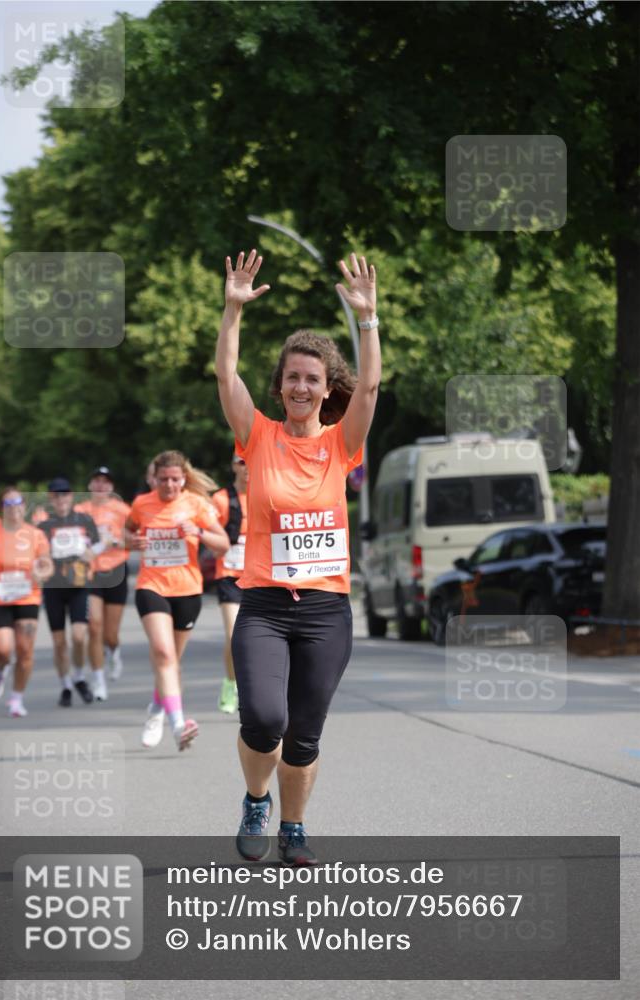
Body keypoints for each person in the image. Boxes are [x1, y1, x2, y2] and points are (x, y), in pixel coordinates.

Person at [215, 249, 380, 866]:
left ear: (324, 387)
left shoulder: (343, 445)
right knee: (263, 718)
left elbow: (370, 384)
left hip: (325, 609)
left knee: (305, 734)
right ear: (280, 386)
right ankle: (256, 798)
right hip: (262, 604)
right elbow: (225, 376)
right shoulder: (257, 435)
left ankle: (294, 828)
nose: (301, 386)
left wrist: (368, 320)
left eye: (312, 378)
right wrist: (232, 310)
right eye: (292, 377)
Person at [125, 450, 230, 751]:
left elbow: (222, 544)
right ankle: (178, 725)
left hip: (187, 590)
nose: (169, 486)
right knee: (163, 653)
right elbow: (126, 532)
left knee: (171, 662)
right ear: (153, 479)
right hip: (152, 586)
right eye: (163, 480)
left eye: (174, 480)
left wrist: (198, 532)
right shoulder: (142, 504)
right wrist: (131, 542)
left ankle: (156, 710)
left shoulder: (196, 504)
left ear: (184, 479)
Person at [0, 488, 53, 716]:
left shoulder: (35, 534)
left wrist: (43, 573)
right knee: (2, 649)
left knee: (25, 650)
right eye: (8, 504)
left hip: (27, 595)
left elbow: (47, 563)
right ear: (2, 508)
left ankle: (16, 699)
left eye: (17, 502)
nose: (13, 507)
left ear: (24, 506)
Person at [39, 477, 103, 705]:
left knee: (78, 637)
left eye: (65, 494)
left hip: (78, 585)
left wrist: (91, 553)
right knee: (58, 642)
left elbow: (98, 542)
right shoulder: (44, 526)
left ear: (70, 496)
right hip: (54, 587)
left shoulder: (84, 520)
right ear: (51, 499)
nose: (61, 499)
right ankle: (65, 685)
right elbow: (38, 554)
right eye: (56, 495)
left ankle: (78, 676)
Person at [75, 467, 130, 683]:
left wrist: (115, 542)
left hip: (116, 570)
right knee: (94, 625)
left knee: (110, 634)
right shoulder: (80, 510)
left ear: (111, 487)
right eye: (96, 481)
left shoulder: (123, 509)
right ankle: (98, 675)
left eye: (105, 482)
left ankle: (113, 652)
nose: (100, 486)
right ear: (90, 485)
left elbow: (136, 538)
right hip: (91, 573)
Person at [211, 454, 248, 713]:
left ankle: (252, 687)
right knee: (234, 634)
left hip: (260, 578)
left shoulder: (268, 491)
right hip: (229, 575)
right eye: (241, 463)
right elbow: (210, 530)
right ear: (234, 465)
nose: (247, 468)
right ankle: (230, 683)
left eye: (250, 461)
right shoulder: (222, 499)